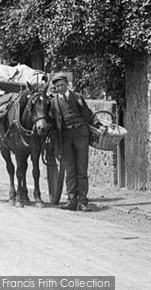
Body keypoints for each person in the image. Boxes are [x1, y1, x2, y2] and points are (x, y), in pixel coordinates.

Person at [48, 73, 95, 212]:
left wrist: (98, 124)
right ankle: (71, 201)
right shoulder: (53, 102)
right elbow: (51, 121)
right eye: (57, 86)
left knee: (82, 170)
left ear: (67, 84)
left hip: (81, 136)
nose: (60, 88)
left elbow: (88, 114)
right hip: (65, 139)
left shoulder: (78, 97)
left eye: (62, 85)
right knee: (70, 171)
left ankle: (83, 202)